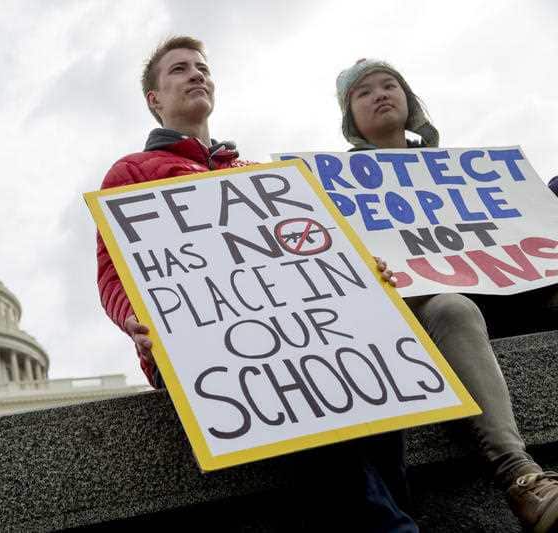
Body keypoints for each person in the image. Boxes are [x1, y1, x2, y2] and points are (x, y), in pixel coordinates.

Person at [96, 37, 417, 532]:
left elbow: (312, 249)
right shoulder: (131, 173)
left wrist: (363, 270)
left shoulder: (259, 175)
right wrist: (130, 317)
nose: (196, 75)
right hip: (202, 351)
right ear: (154, 99)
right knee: (308, 396)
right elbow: (112, 271)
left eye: (202, 68)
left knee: (378, 381)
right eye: (179, 70)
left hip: (302, 334)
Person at [336, 58, 558, 532]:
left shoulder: (464, 173)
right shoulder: (334, 182)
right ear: (349, 117)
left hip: (500, 294)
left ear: (410, 100)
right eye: (363, 92)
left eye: (389, 84)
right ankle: (521, 478)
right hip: (419, 309)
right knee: (453, 308)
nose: (380, 94)